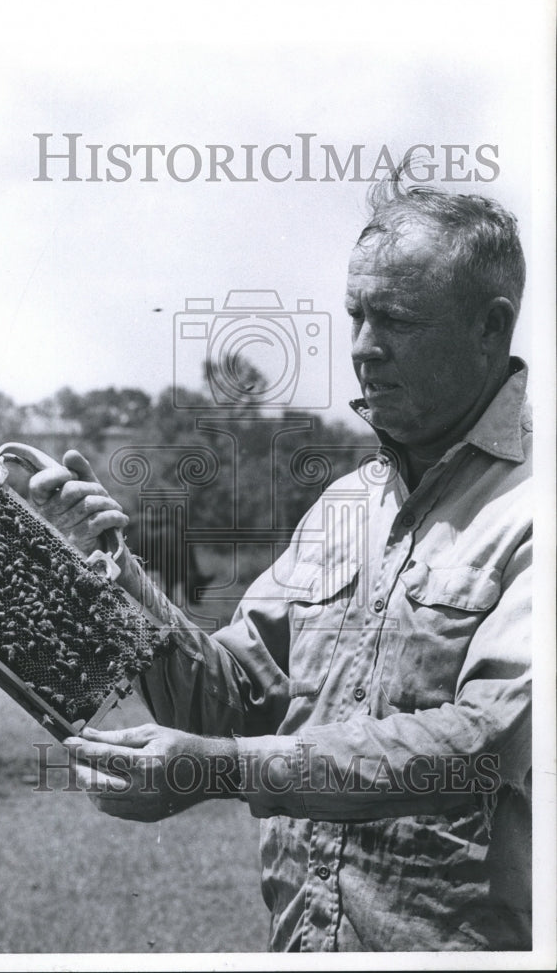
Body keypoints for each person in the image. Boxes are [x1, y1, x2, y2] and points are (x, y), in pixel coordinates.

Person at [27, 178, 532, 952]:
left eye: (396, 319)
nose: (363, 346)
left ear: (488, 329)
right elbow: (228, 696)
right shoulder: (344, 507)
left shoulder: (531, 506)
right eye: (356, 315)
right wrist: (114, 569)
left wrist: (223, 768)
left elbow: (482, 745)